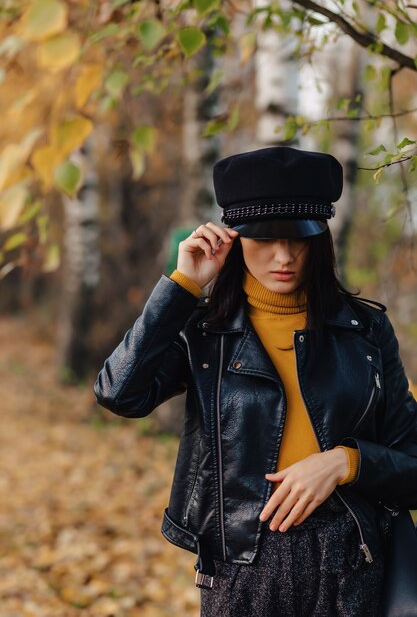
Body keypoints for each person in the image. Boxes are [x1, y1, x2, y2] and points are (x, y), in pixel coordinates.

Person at [93, 146, 417, 617]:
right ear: (234, 237)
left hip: (351, 561)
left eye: (299, 239)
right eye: (264, 239)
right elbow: (119, 393)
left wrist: (346, 462)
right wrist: (183, 285)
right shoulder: (206, 332)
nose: (283, 256)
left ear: (320, 238)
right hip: (241, 568)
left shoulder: (365, 332)